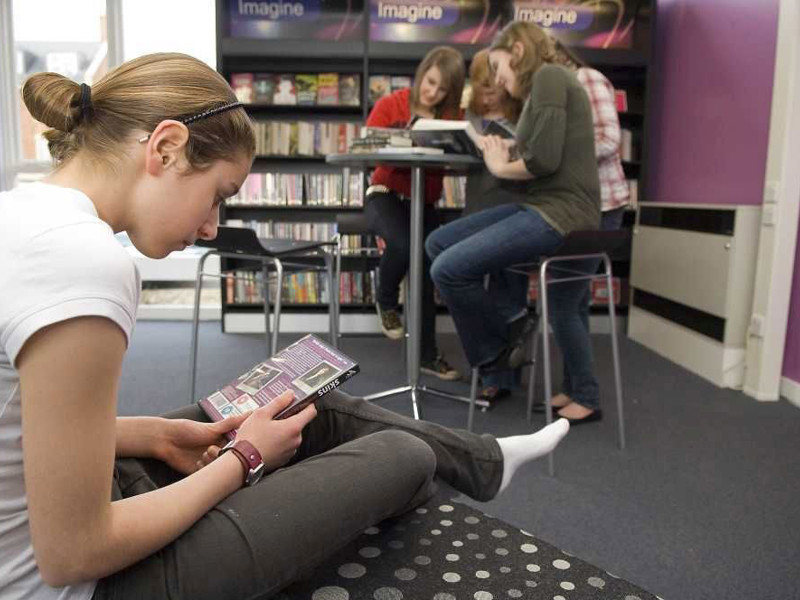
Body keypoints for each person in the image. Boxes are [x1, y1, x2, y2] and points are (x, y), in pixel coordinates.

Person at [0, 52, 571, 600]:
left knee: (301, 408)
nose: (209, 228)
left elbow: (21, 425)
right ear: (167, 148)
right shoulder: (84, 264)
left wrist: (152, 433)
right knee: (404, 456)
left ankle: (484, 460)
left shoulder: (21, 215)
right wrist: (242, 462)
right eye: (218, 196)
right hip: (88, 585)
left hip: (65, 507)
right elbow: (73, 554)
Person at [425, 22, 601, 376]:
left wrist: (499, 166)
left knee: (447, 269)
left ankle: (497, 348)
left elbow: (544, 161)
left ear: (517, 52)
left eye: (498, 67)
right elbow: (543, 148)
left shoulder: (550, 75)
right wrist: (508, 146)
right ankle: (508, 334)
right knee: (437, 242)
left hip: (561, 212)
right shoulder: (541, 89)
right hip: (541, 205)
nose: (498, 79)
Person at [540, 40, 631, 424]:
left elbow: (611, 140)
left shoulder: (587, 79)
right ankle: (575, 387)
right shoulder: (557, 90)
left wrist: (560, 150)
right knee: (571, 303)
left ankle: (588, 397)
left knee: (562, 303)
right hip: (578, 209)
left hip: (602, 206)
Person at [363, 46, 464, 381]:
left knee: (426, 274)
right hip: (384, 195)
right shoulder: (390, 103)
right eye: (430, 82)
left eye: (442, 89)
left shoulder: (450, 119)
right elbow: (368, 148)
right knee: (404, 245)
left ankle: (427, 356)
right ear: (423, 73)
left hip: (425, 203)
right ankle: (387, 300)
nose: (432, 92)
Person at [462, 48, 526, 404]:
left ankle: (506, 377)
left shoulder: (522, 112)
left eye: (494, 85)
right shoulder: (469, 116)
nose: (488, 93)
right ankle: (490, 365)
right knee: (469, 289)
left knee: (510, 294)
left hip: (513, 210)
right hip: (476, 210)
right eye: (481, 85)